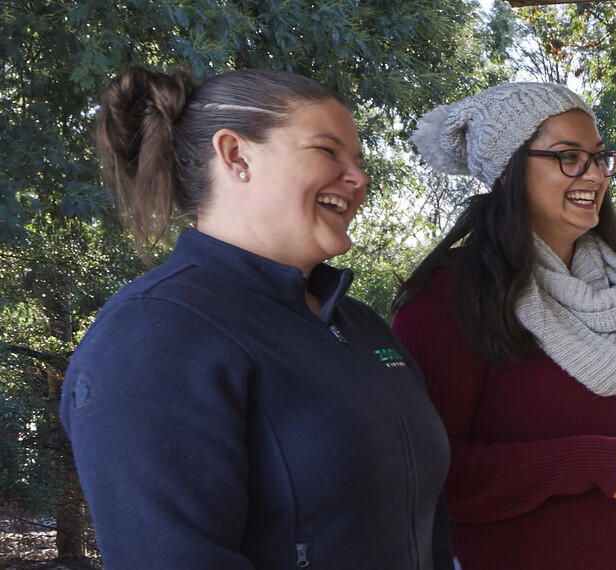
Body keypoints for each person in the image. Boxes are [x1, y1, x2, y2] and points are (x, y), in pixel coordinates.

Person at [61, 65, 451, 568]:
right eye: (328, 151)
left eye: (358, 159)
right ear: (236, 155)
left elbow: (427, 521)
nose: (359, 178)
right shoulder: (153, 336)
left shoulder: (359, 325)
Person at [393, 82, 616, 569]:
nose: (594, 173)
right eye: (568, 156)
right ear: (511, 168)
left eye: (599, 157)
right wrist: (595, 463)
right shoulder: (450, 296)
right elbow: (428, 471)